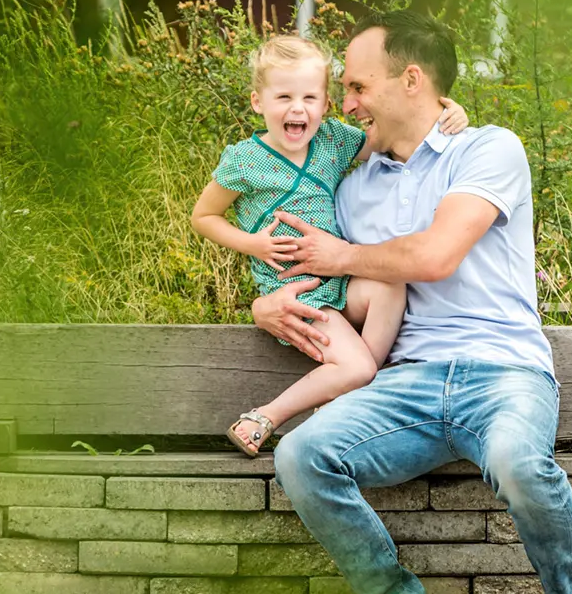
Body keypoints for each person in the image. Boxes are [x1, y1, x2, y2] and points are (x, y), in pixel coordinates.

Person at [256, 10, 572, 594]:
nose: (344, 104)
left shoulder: (488, 150)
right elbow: (302, 256)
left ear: (411, 80)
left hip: (505, 372)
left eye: (356, 87)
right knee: (302, 456)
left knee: (516, 460)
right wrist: (269, 304)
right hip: (407, 384)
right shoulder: (352, 184)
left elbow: (437, 256)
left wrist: (342, 254)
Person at [190, 35, 467, 457]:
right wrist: (253, 244)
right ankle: (264, 416)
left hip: (339, 276)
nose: (297, 108)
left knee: (390, 284)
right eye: (283, 96)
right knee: (357, 365)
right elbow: (204, 217)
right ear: (257, 102)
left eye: (310, 97)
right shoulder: (243, 160)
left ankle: (345, 395)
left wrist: (445, 109)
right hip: (297, 291)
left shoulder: (333, 143)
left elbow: (393, 134)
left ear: (325, 105)